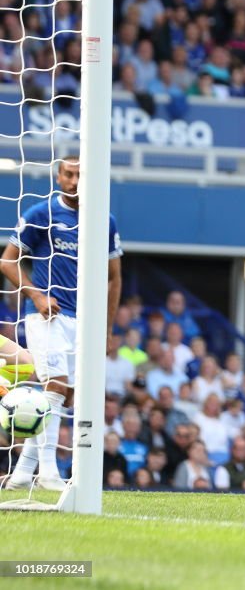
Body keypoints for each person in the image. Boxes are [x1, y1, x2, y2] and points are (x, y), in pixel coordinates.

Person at [3, 156, 123, 492]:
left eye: (80, 175)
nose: (74, 181)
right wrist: (37, 296)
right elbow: (7, 261)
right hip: (46, 317)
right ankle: (49, 472)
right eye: (68, 174)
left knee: (66, 396)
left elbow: (114, 278)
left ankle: (23, 472)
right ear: (58, 178)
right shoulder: (41, 214)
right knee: (55, 385)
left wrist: (106, 328)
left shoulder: (104, 220)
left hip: (83, 322)